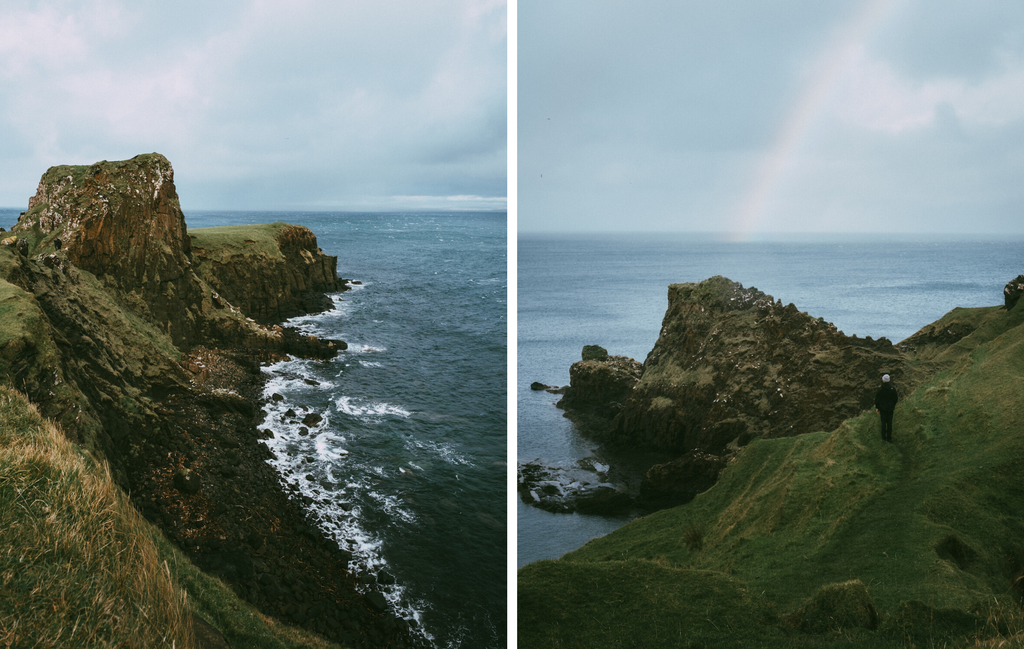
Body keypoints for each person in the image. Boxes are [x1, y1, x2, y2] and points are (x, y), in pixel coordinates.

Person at [874, 374, 899, 442]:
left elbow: (877, 399)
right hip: (890, 409)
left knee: (883, 423)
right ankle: (889, 438)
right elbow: (895, 398)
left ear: (883, 380)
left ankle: (883, 437)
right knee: (889, 423)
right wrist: (892, 405)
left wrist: (878, 407)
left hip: (883, 409)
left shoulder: (881, 389)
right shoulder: (892, 388)